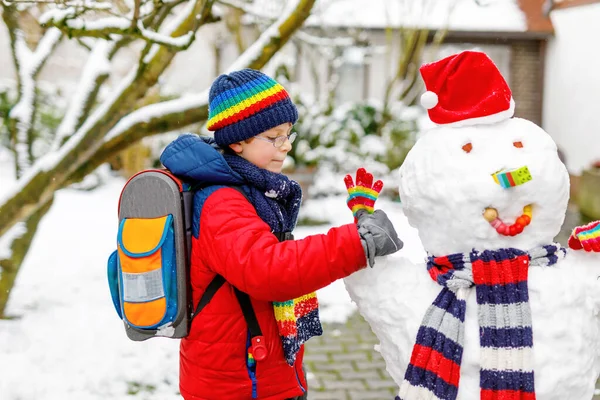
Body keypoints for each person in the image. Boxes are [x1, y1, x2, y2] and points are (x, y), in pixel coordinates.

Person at [160, 68, 402, 400]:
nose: (286, 146)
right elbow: (269, 269)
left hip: (259, 370)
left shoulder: (250, 190)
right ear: (237, 140)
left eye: (289, 134)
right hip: (238, 383)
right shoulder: (221, 201)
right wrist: (356, 243)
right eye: (275, 136)